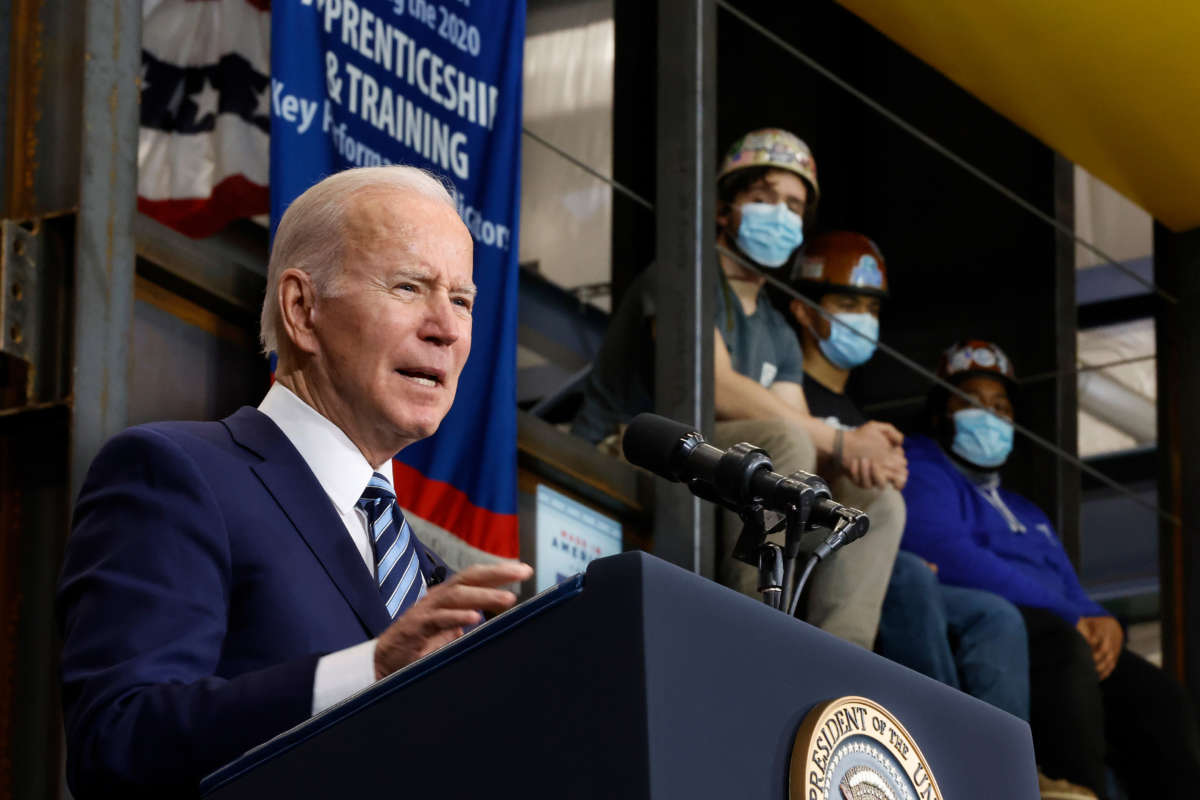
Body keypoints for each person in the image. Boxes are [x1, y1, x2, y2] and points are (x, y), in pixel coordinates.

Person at [56, 166, 533, 797]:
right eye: (409, 287)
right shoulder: (178, 474)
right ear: (302, 309)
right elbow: (118, 741)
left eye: (463, 301)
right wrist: (370, 669)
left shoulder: (436, 588)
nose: (445, 328)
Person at [572, 129, 905, 650]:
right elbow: (714, 387)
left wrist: (864, 458)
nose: (781, 214)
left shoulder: (776, 328)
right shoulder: (682, 276)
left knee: (877, 503)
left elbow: (802, 426)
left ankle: (838, 658)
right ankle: (756, 638)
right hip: (630, 446)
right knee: (783, 448)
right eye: (764, 198)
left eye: (794, 205)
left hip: (716, 466)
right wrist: (843, 442)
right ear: (726, 209)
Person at [900, 339, 1200, 800]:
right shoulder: (923, 466)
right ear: (942, 410)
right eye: (973, 401)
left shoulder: (1027, 511)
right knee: (1064, 645)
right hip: (1007, 623)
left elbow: (1070, 588)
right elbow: (946, 550)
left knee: (1160, 697)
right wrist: (1069, 615)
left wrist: (1103, 621)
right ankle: (1075, 790)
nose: (990, 415)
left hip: (1059, 621)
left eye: (1001, 407)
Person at [783, 233, 1029, 722]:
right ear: (803, 310)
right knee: (911, 575)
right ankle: (941, 737)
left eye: (871, 307)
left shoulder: (859, 416)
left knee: (995, 615)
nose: (861, 318)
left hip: (874, 555)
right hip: (806, 546)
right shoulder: (785, 387)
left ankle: (997, 764)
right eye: (847, 302)